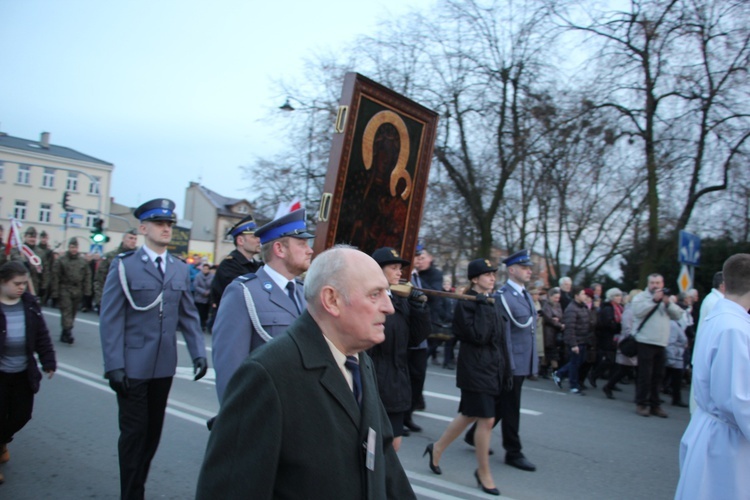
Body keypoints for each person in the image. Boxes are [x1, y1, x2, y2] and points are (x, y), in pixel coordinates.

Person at [195, 246, 415, 500]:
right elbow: (230, 489)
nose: (389, 307)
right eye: (375, 294)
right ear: (332, 300)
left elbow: (383, 457)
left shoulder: (360, 361)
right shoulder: (268, 374)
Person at [99, 198, 207, 500]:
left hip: (163, 366)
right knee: (133, 435)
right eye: (160, 223)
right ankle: (131, 494)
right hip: (132, 366)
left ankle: (137, 487)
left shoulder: (177, 269)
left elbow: (187, 314)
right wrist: (113, 364)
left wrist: (198, 352)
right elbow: (110, 318)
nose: (166, 229)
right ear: (143, 228)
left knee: (152, 435)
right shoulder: (125, 266)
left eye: (169, 224)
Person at [425, 259, 511, 496]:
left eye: (494, 274)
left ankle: (437, 448)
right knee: (486, 420)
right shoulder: (468, 303)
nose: (493, 277)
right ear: (475, 279)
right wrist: (482, 307)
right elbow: (479, 336)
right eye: (487, 274)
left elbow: (499, 339)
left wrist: (506, 368)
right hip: (474, 369)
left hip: (491, 368)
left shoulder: (491, 301)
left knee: (469, 415)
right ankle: (483, 473)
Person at [211, 209, 313, 403]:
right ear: (279, 249)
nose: (310, 250)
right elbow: (230, 366)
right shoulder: (243, 292)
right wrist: (236, 419)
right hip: (265, 405)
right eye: (302, 243)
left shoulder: (303, 292)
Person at [675, 254, 750, 500]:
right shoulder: (734, 329)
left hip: (713, 430)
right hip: (727, 443)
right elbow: (739, 400)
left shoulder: (721, 317)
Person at [465, 249, 538, 472]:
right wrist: (507, 363)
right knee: (511, 406)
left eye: (529, 268)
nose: (529, 271)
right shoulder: (504, 296)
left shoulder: (523, 294)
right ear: (512, 269)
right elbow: (503, 333)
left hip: (522, 359)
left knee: (502, 403)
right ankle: (513, 451)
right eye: (524, 268)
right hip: (511, 361)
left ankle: (472, 435)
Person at [367, 247, 431, 451]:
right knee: (372, 444)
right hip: (375, 379)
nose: (399, 272)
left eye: (400, 268)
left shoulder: (400, 301)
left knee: (394, 442)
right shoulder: (370, 299)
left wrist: (420, 310)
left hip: (397, 381)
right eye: (393, 267)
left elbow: (415, 338)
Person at [0, 261, 56, 484]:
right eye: (17, 283)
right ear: (3, 282)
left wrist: (48, 360)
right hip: (0, 374)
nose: (22, 287)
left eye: (25, 283)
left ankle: (2, 440)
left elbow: (41, 334)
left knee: (22, 415)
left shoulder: (29, 303)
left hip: (23, 372)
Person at [631, 274, 684, 418]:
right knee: (645, 375)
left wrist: (667, 303)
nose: (656, 285)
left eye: (658, 283)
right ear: (648, 284)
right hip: (645, 341)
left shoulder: (667, 299)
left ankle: (655, 404)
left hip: (661, 342)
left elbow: (678, 315)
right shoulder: (641, 297)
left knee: (658, 375)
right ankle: (642, 403)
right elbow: (637, 312)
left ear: (662, 283)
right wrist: (654, 301)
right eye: (653, 283)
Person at [406, 243, 442, 432]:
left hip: (421, 336)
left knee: (418, 377)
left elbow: (432, 298)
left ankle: (409, 414)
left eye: (420, 256)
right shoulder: (404, 277)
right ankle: (401, 415)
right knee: (404, 377)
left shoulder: (419, 277)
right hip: (407, 334)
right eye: (416, 256)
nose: (419, 259)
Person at [210, 214, 261, 310]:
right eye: (254, 237)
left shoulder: (256, 265)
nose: (259, 240)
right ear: (240, 241)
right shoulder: (229, 266)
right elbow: (247, 295)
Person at [50, 238, 91, 345]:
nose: (74, 250)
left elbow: (87, 276)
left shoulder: (82, 261)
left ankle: (65, 332)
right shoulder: (61, 260)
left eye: (76, 247)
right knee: (66, 311)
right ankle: (68, 333)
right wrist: (54, 293)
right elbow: (55, 277)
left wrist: (87, 292)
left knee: (72, 313)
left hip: (77, 290)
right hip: (65, 288)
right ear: (69, 247)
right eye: (72, 247)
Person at [553, 287, 594, 394]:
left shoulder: (583, 307)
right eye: (583, 294)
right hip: (576, 340)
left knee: (577, 362)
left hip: (583, 339)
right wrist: (573, 344)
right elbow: (570, 328)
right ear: (576, 296)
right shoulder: (572, 309)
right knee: (575, 363)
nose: (585, 296)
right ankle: (573, 385)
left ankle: (559, 374)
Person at [602, 289, 640, 399]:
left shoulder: (634, 310)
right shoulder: (629, 311)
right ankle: (609, 386)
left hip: (635, 342)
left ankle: (639, 395)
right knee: (626, 369)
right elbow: (627, 329)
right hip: (630, 343)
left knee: (630, 369)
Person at [94, 229, 139, 311]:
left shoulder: (139, 257)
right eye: (130, 238)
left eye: (135, 239)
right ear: (123, 239)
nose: (133, 241)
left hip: (133, 301)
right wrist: (100, 301)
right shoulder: (111, 256)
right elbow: (100, 280)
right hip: (113, 298)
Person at [588, 288, 623, 388]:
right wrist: (618, 326)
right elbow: (607, 323)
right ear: (611, 297)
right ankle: (594, 375)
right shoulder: (608, 308)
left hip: (614, 337)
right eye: (616, 296)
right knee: (609, 359)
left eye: (620, 295)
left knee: (614, 360)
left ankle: (611, 382)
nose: (619, 298)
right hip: (607, 336)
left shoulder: (619, 308)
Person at [10, 227, 43, 297]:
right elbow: (14, 258)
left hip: (35, 283)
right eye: (30, 237)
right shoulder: (19, 249)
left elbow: (45, 269)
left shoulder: (40, 252)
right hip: (19, 281)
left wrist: (44, 286)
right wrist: (23, 261)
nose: (32, 239)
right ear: (25, 237)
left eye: (34, 237)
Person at [541, 287, 565, 377]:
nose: (557, 300)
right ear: (550, 296)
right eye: (555, 297)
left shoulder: (558, 305)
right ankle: (556, 372)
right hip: (548, 333)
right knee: (552, 354)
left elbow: (560, 316)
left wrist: (556, 319)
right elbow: (548, 318)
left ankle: (543, 370)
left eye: (558, 298)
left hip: (555, 332)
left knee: (548, 354)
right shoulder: (546, 305)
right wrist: (559, 324)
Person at [192, 263, 213, 332]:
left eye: (207, 269)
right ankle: (199, 325)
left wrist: (208, 292)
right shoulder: (198, 276)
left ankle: (204, 325)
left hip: (208, 298)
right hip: (199, 297)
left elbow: (213, 286)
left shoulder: (212, 277)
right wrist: (203, 292)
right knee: (199, 312)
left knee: (206, 313)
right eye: (204, 269)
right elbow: (196, 286)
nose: (205, 270)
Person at [36, 230, 55, 305]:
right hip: (37, 274)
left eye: (45, 238)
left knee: (43, 298)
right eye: (42, 238)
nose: (44, 240)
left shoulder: (49, 252)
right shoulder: (36, 249)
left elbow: (52, 265)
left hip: (46, 275)